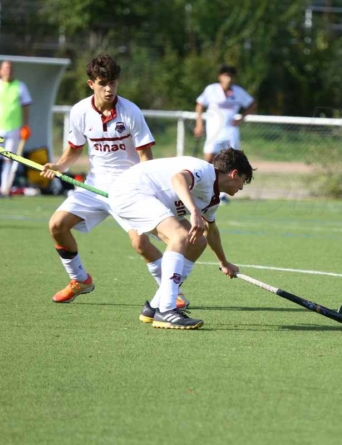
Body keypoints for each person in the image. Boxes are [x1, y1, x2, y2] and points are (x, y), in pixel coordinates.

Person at [41, 54, 188, 308]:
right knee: (57, 225)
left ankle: (170, 292)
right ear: (91, 84)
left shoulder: (130, 112)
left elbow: (146, 158)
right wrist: (58, 166)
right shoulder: (79, 112)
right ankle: (80, 280)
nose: (109, 89)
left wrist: (149, 193)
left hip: (130, 188)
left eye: (113, 82)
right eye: (102, 83)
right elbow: (74, 149)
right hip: (94, 186)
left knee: (140, 243)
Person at [109, 149, 254, 329]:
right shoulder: (204, 170)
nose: (242, 187)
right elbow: (178, 179)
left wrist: (223, 262)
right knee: (180, 236)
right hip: (132, 191)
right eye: (243, 180)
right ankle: (167, 310)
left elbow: (211, 231)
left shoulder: (213, 199)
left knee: (197, 241)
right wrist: (194, 212)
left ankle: (154, 307)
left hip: (150, 199)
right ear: (234, 174)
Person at [193, 64, 256, 163]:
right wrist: (199, 124)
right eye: (226, 75)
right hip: (214, 130)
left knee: (234, 159)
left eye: (231, 76)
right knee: (209, 159)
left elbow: (252, 104)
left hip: (231, 130)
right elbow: (199, 105)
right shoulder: (211, 89)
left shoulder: (238, 91)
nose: (228, 79)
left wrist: (241, 118)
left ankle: (229, 178)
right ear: (220, 77)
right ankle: (207, 178)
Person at [0, 60, 31, 196]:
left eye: (10, 68)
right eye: (6, 68)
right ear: (1, 70)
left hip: (13, 128)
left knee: (8, 159)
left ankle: (5, 188)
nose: (8, 71)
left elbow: (25, 107)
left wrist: (25, 126)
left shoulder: (20, 86)